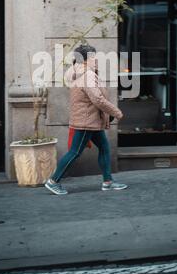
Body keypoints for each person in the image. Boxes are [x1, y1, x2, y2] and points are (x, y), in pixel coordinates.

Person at [45, 44, 127, 195]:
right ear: (84, 60)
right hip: (87, 121)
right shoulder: (87, 75)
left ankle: (108, 181)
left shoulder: (76, 72)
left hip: (89, 119)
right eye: (93, 58)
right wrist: (116, 112)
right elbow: (98, 99)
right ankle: (53, 181)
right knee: (75, 152)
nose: (96, 60)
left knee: (104, 147)